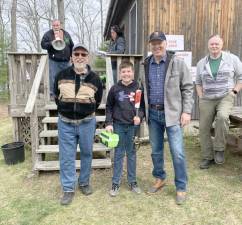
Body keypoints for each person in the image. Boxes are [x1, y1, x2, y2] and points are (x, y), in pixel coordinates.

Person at [142, 31, 194, 205]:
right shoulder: (145, 64)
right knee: (156, 151)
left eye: (160, 43)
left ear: (166, 44)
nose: (157, 46)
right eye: (153, 43)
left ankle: (181, 186)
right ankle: (160, 178)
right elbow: (143, 91)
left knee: (177, 152)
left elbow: (187, 88)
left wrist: (186, 111)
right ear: (150, 45)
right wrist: (142, 113)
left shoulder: (177, 63)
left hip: (172, 115)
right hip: (154, 116)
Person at [54, 43, 103, 205]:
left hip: (87, 123)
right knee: (67, 156)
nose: (80, 57)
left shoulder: (95, 78)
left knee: (87, 153)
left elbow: (97, 101)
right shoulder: (61, 75)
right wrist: (66, 108)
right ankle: (68, 188)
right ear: (71, 57)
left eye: (83, 54)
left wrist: (85, 110)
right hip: (65, 123)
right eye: (77, 54)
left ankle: (84, 182)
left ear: (87, 57)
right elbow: (56, 96)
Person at [196, 34, 242, 169]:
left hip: (225, 96)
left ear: (222, 45)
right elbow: (198, 82)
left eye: (217, 44)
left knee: (222, 117)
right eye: (212, 44)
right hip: (207, 98)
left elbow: (240, 77)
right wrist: (200, 97)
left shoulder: (232, 59)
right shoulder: (201, 63)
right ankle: (207, 157)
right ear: (208, 45)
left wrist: (234, 92)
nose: (214, 46)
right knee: (204, 127)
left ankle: (219, 149)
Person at [105, 61, 145, 197]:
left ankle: (132, 181)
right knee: (119, 153)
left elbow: (143, 108)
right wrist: (109, 123)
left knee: (132, 153)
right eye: (123, 72)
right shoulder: (115, 89)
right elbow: (109, 107)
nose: (126, 74)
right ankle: (115, 183)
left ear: (133, 73)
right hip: (118, 125)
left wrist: (139, 116)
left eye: (129, 71)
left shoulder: (138, 88)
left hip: (132, 126)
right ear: (120, 74)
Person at [41, 19, 74, 99]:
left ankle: (67, 94)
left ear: (60, 25)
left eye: (57, 25)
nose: (56, 27)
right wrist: (51, 43)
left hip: (66, 61)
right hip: (54, 61)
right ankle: (53, 95)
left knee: (67, 77)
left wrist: (72, 56)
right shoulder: (48, 34)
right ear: (52, 26)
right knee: (54, 78)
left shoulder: (66, 34)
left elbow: (71, 45)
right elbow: (43, 45)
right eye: (54, 25)